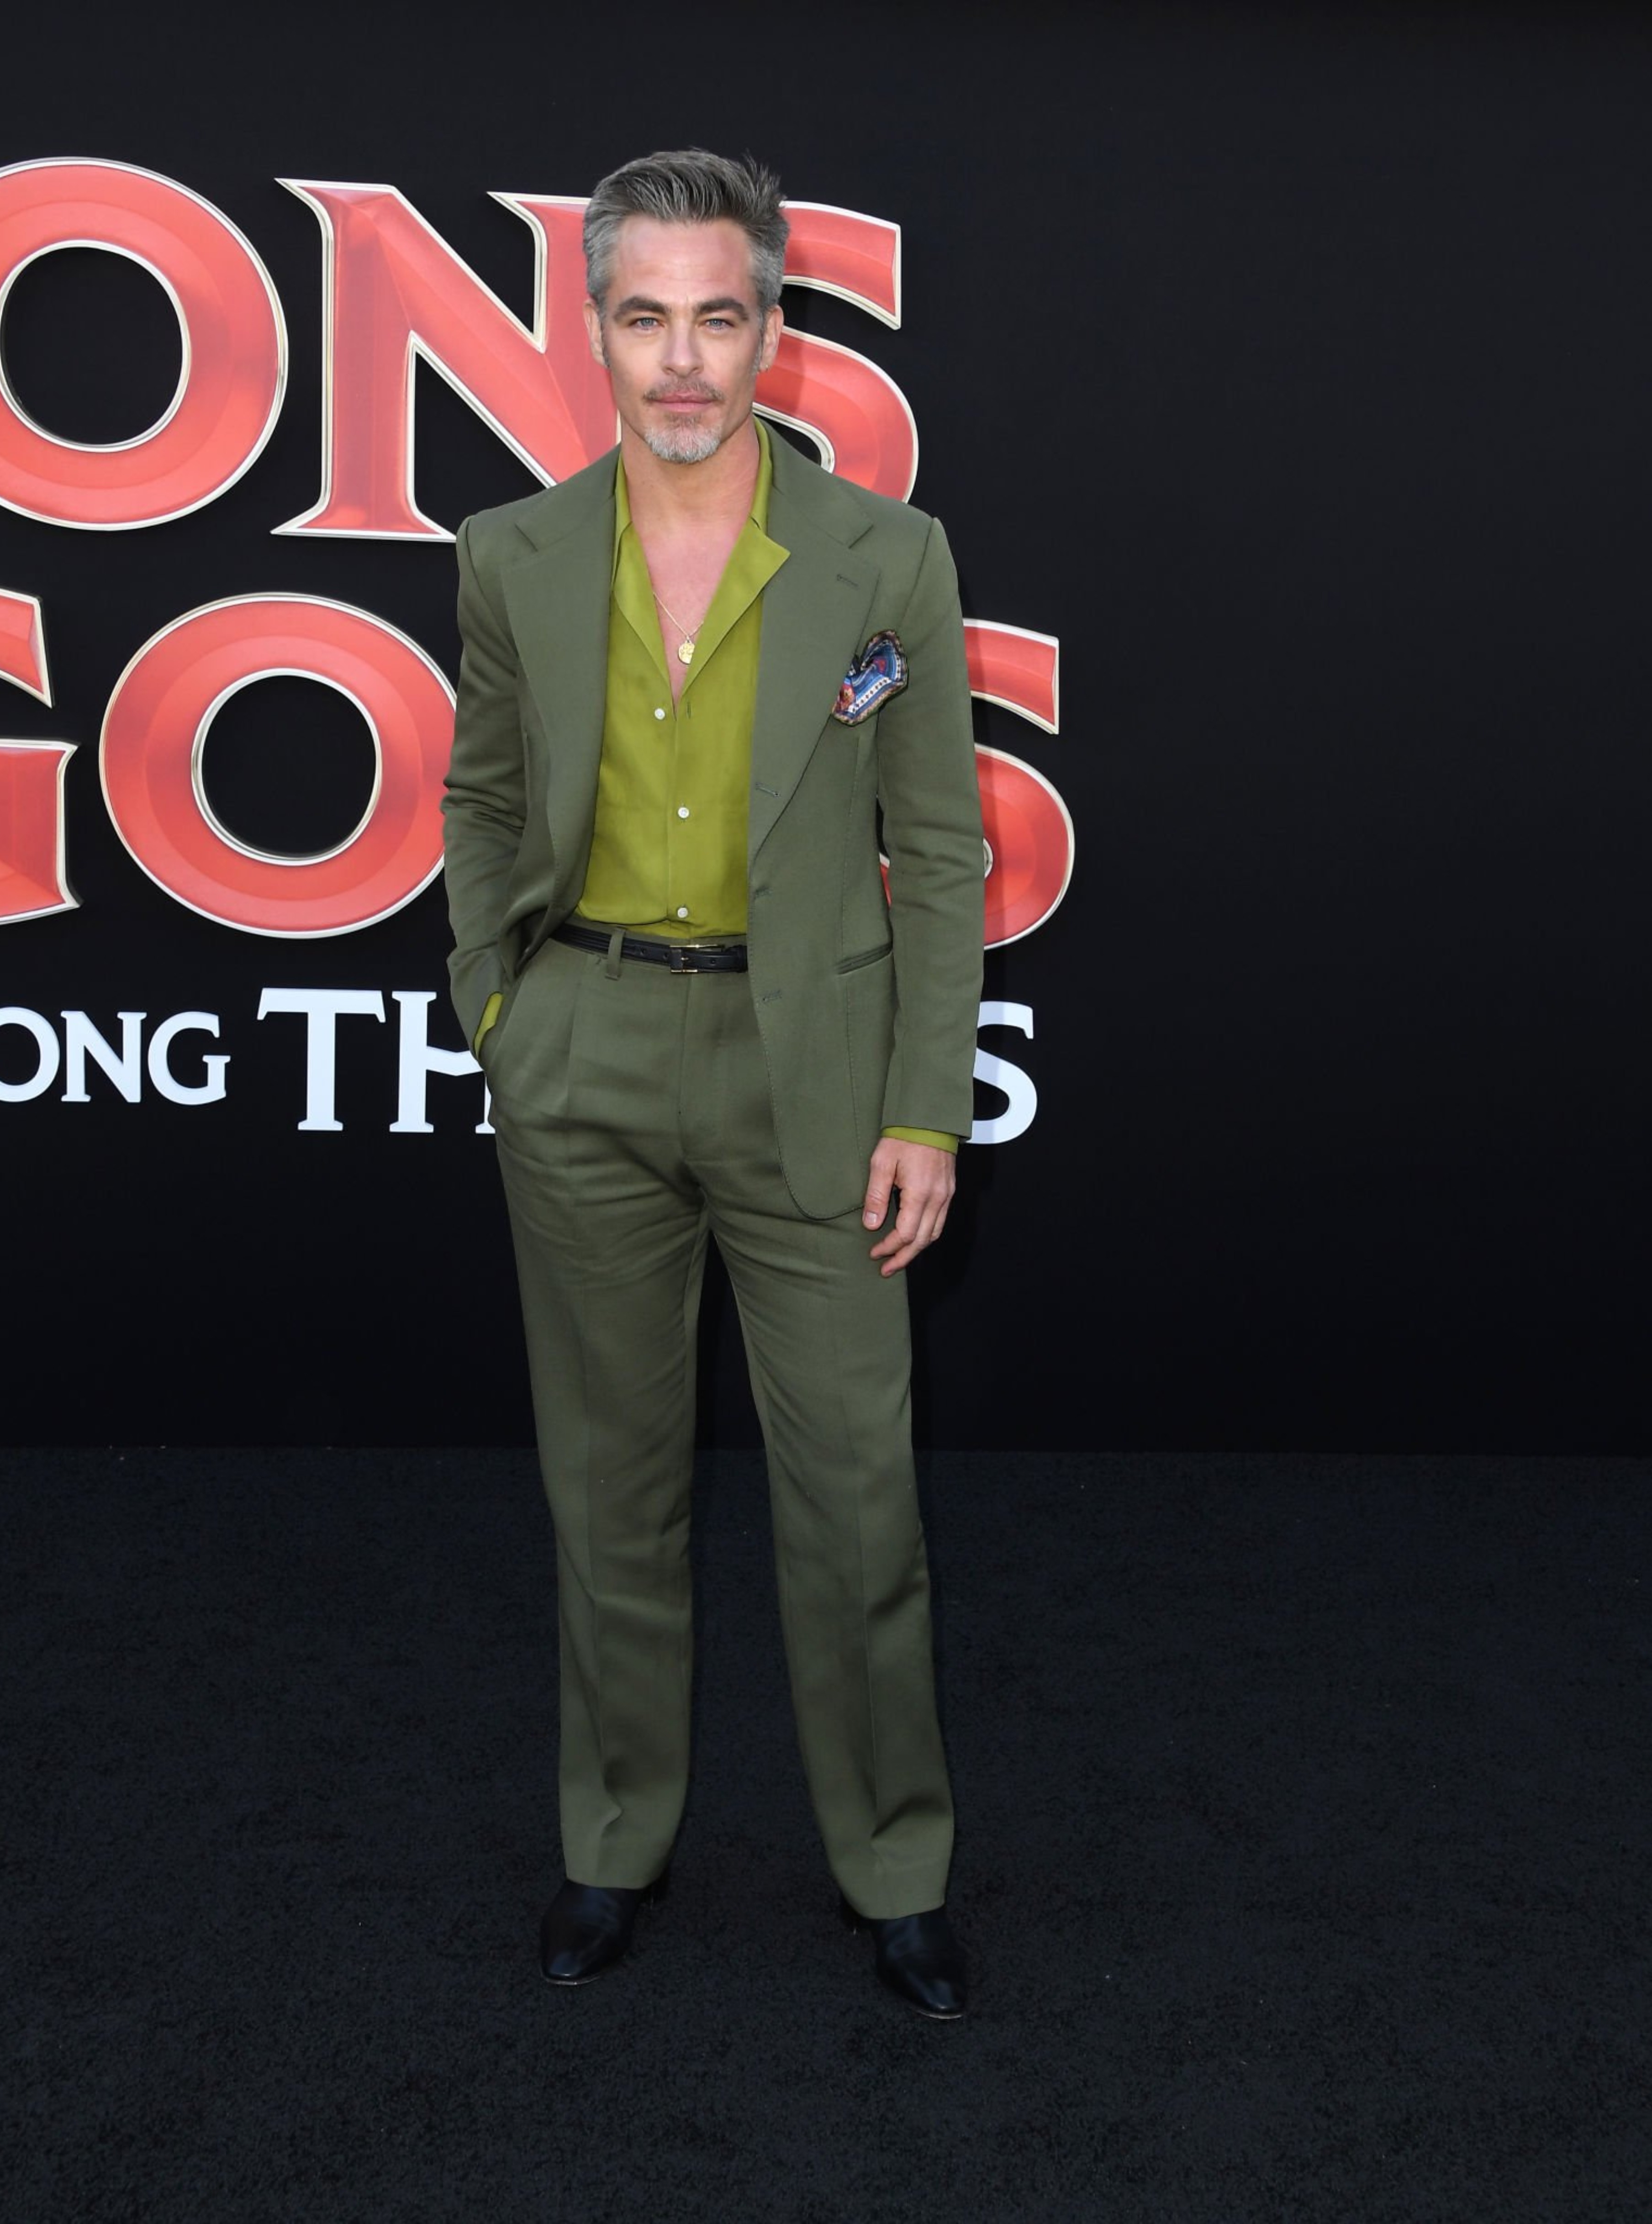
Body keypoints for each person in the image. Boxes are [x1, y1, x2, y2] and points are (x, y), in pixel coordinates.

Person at [441, 148, 985, 2019]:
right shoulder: (509, 554)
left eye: (719, 316)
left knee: (858, 1500)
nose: (682, 359)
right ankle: (610, 1843)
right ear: (594, 328)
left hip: (811, 1076)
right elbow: (482, 797)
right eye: (644, 316)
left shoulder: (888, 560)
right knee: (609, 1493)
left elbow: (940, 850)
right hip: (583, 1055)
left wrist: (923, 1106)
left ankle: (895, 1869)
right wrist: (499, 1011)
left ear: (773, 334)